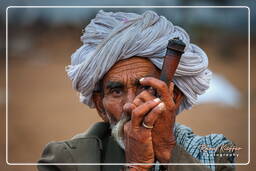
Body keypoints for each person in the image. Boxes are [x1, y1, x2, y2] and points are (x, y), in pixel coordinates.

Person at [38, 10, 236, 171]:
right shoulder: (67, 161)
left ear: (173, 98)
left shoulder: (215, 153)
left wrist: (169, 153)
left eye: (146, 88)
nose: (131, 105)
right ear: (100, 106)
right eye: (116, 91)